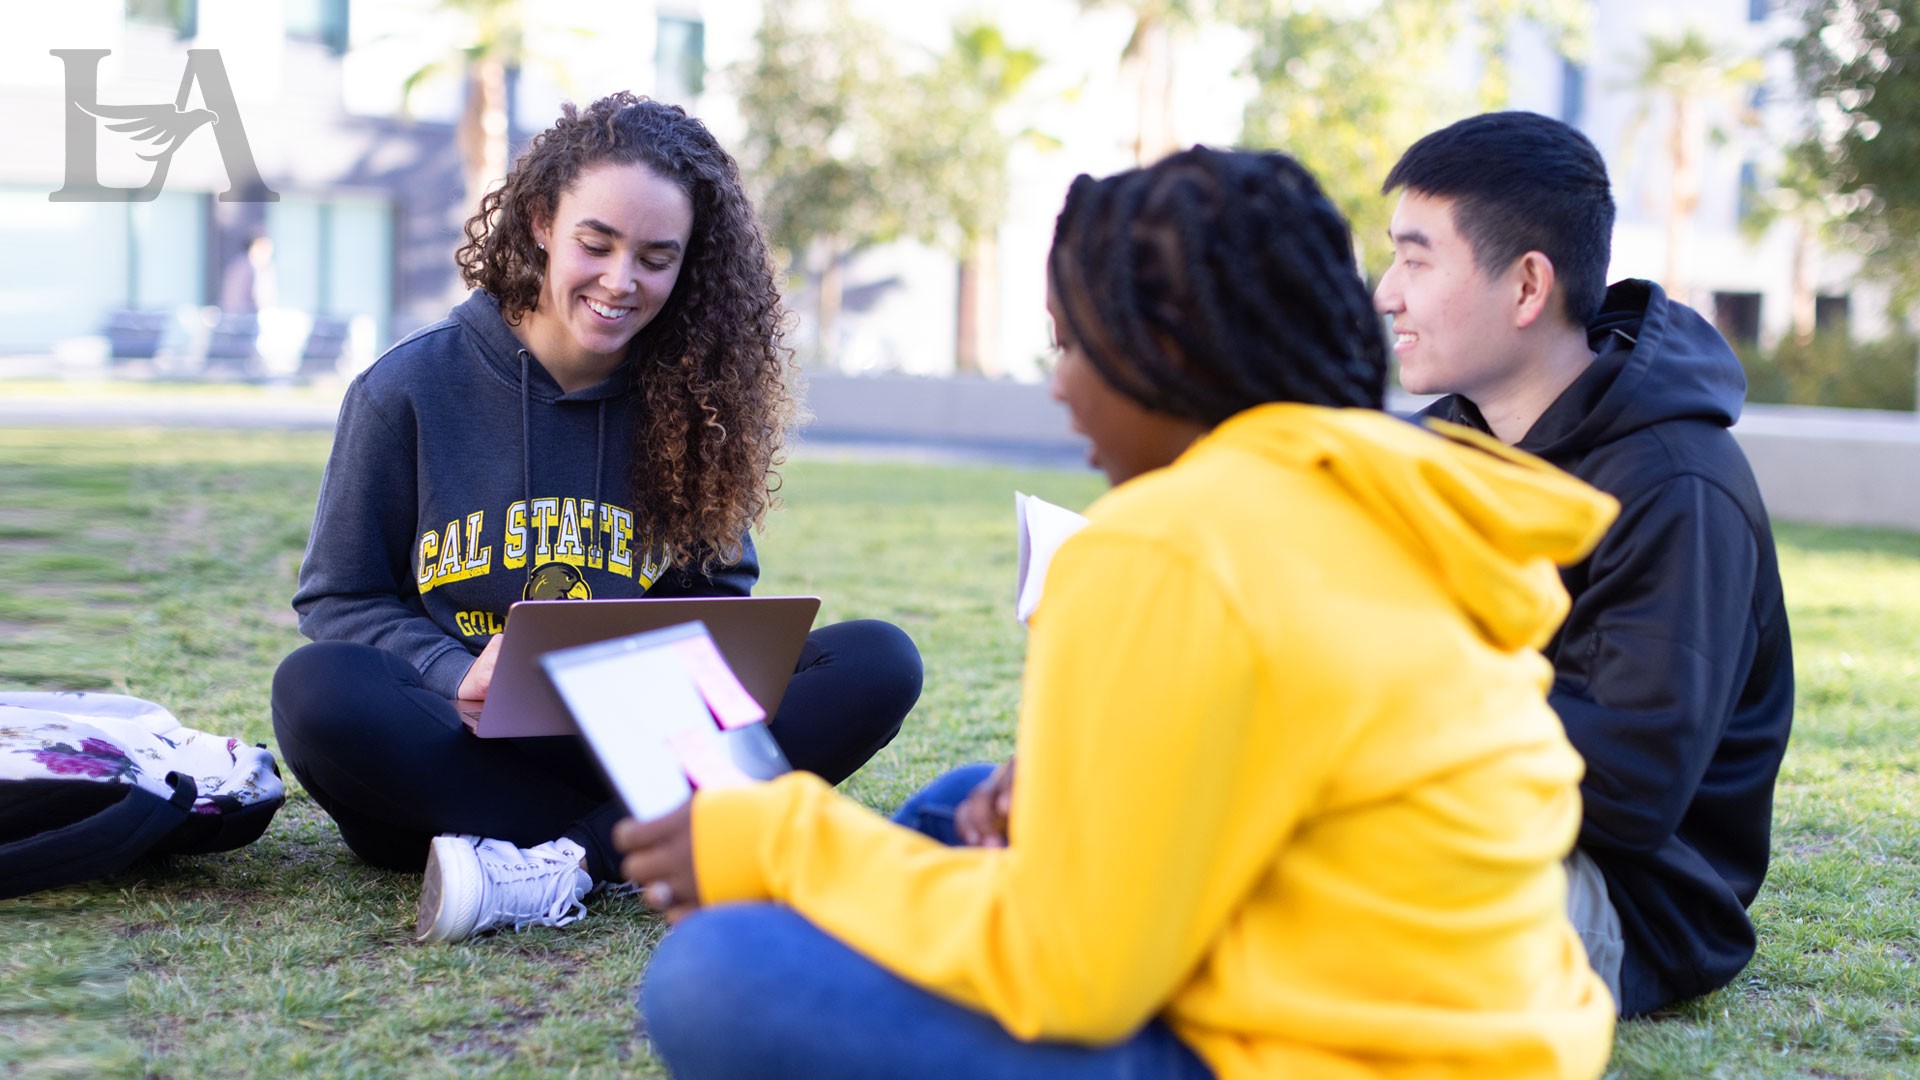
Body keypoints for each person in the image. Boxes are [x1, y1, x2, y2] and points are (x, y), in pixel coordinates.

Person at [614, 147, 1619, 1080]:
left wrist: (783, 840)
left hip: (1326, 1053)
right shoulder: (1385, 490)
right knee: (970, 801)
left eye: (1073, 346)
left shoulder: (1169, 541)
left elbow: (1079, 973)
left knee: (717, 973)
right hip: (1495, 1035)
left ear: (1165, 349)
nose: (1061, 388)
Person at [270, 93, 923, 945]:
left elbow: (716, 593)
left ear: (688, 264)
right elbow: (340, 599)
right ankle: (664, 841)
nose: (622, 281)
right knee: (315, 691)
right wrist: (446, 671)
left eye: (657, 257)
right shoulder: (406, 390)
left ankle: (553, 866)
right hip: (457, 748)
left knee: (876, 660)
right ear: (542, 222)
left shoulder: (695, 401)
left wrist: (640, 668)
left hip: (622, 741)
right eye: (597, 243)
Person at [1374, 111, 1794, 1016]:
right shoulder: (1440, 449)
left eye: (1415, 261)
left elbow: (1627, 790)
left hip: (1619, 894)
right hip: (1444, 823)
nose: (1385, 294)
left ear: (1527, 285)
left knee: (1303, 907)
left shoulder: (1678, 485)